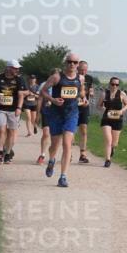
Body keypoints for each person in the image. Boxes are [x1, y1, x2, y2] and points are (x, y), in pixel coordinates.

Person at [39, 55, 84, 187]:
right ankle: (52, 160)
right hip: (56, 114)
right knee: (54, 145)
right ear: (66, 63)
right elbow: (43, 91)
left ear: (78, 64)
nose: (72, 64)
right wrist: (53, 100)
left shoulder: (80, 78)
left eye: (74, 62)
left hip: (72, 114)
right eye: (69, 62)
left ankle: (63, 176)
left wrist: (83, 98)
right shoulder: (57, 77)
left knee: (67, 144)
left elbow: (81, 91)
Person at [0, 61, 27, 164]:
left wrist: (19, 107)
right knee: (1, 129)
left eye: (18, 68)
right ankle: (0, 153)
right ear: (8, 68)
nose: (17, 70)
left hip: (13, 110)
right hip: (0, 108)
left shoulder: (19, 80)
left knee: (11, 132)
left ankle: (8, 153)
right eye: (15, 68)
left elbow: (23, 93)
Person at [99, 77, 127, 167]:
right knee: (108, 140)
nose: (114, 86)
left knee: (114, 143)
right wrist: (103, 109)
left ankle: (112, 148)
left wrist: (122, 111)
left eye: (117, 84)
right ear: (109, 84)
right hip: (106, 119)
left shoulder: (122, 94)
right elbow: (98, 105)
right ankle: (107, 160)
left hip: (117, 120)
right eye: (113, 84)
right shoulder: (104, 94)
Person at [76, 60, 95, 163]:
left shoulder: (89, 78)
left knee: (84, 130)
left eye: (85, 70)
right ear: (77, 69)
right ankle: (68, 153)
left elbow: (90, 89)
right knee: (71, 131)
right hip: (73, 107)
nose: (83, 72)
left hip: (84, 106)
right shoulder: (73, 77)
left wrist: (91, 93)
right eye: (81, 70)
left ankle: (82, 154)